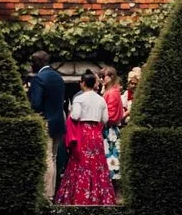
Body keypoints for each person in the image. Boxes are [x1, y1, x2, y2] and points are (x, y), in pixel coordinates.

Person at [58, 71, 116, 205]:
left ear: (83, 83)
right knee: (98, 164)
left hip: (83, 133)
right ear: (94, 83)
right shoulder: (101, 99)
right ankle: (100, 198)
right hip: (96, 134)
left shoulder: (80, 98)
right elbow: (105, 119)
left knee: (79, 164)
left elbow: (75, 116)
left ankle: (77, 197)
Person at [27, 51, 69, 195]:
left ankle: (47, 195)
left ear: (38, 63)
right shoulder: (58, 77)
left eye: (32, 62)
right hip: (59, 122)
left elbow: (36, 104)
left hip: (46, 122)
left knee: (46, 158)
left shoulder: (39, 78)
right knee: (53, 158)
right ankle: (52, 193)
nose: (31, 65)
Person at [100, 66, 129, 182]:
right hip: (111, 129)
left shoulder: (111, 93)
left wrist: (101, 120)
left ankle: (110, 187)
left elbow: (111, 116)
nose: (101, 79)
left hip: (109, 130)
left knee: (110, 159)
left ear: (111, 76)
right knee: (112, 159)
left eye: (103, 77)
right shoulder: (113, 91)